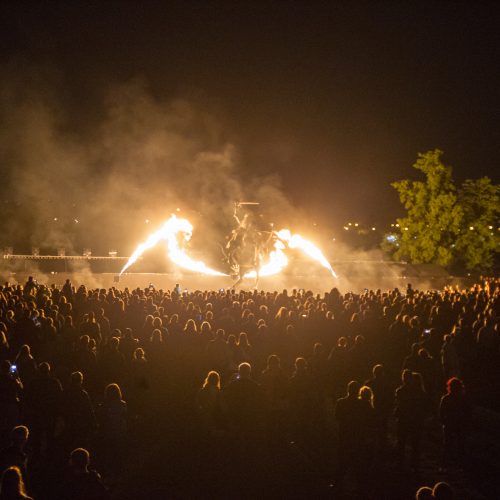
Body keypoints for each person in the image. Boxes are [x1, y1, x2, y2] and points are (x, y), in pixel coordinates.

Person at [439, 378, 470, 470]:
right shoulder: (463, 399)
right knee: (461, 445)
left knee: (447, 445)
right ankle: (461, 464)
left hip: (449, 424)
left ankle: (445, 465)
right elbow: (468, 412)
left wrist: (444, 422)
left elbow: (441, 413)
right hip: (460, 424)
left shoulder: (446, 398)